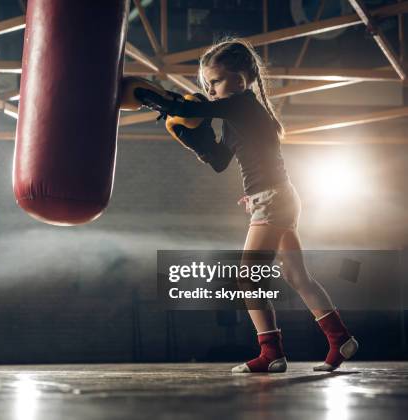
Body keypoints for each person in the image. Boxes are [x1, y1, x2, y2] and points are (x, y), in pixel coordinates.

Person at [135, 38, 358, 373]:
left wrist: (155, 99)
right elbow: (221, 161)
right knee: (297, 276)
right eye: (207, 84)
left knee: (248, 278)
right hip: (277, 197)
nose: (209, 90)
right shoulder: (236, 115)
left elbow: (192, 109)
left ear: (239, 80)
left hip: (273, 200)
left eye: (215, 82)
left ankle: (272, 353)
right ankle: (339, 338)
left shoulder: (241, 105)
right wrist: (194, 140)